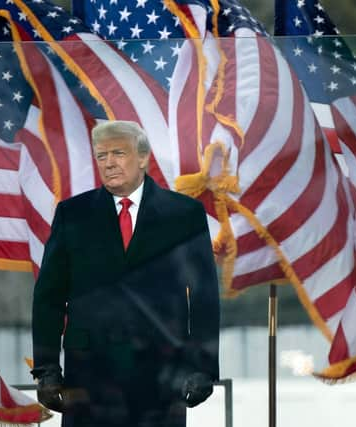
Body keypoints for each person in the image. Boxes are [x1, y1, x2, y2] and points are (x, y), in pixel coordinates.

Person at [31, 120, 220, 427]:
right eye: (101, 156)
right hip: (89, 376)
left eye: (118, 153)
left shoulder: (184, 214)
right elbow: (49, 298)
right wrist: (47, 368)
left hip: (160, 375)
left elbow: (204, 298)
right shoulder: (72, 214)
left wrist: (202, 366)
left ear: (143, 158)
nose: (108, 163)